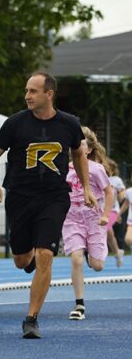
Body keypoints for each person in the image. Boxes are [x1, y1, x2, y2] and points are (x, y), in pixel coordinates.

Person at [0, 72, 95, 339]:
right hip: (20, 196)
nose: (27, 96)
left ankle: (31, 318)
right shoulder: (15, 123)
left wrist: (87, 186)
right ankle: (29, 258)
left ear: (49, 94)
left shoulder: (69, 124)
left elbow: (79, 153)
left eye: (33, 91)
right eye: (26, 91)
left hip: (54, 197)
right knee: (22, 260)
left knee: (46, 254)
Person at [63, 127, 113, 321]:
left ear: (89, 149)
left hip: (94, 219)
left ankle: (91, 252)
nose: (78, 146)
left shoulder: (96, 169)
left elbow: (109, 193)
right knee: (76, 258)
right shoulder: (66, 168)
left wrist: (106, 216)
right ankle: (79, 304)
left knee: (97, 265)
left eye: (82, 143)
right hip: (72, 218)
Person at [106, 159, 125, 267]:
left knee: (107, 229)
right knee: (109, 234)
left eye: (108, 168)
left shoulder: (116, 180)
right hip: (99, 210)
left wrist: (122, 194)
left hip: (113, 210)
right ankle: (117, 252)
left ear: (113, 171)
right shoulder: (99, 177)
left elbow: (122, 193)